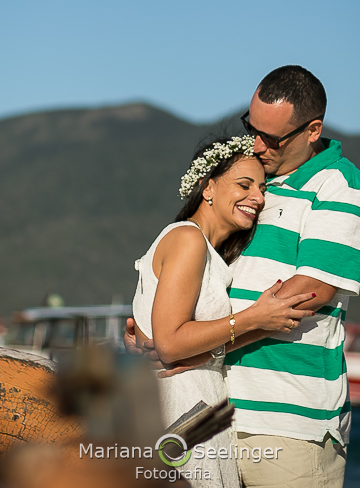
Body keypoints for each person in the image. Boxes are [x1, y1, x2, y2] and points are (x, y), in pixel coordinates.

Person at [128, 65, 360, 488]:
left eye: (272, 138)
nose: (257, 145)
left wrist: (193, 349)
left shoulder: (339, 186)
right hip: (213, 416)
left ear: (312, 130)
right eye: (251, 127)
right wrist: (155, 331)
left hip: (288, 423)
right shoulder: (252, 186)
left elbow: (301, 297)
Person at [131, 135, 315, 488]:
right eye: (244, 185)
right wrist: (254, 318)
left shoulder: (205, 250)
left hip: (197, 404)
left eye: (262, 188)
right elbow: (169, 343)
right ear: (207, 187)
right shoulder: (188, 240)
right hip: (181, 405)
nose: (258, 198)